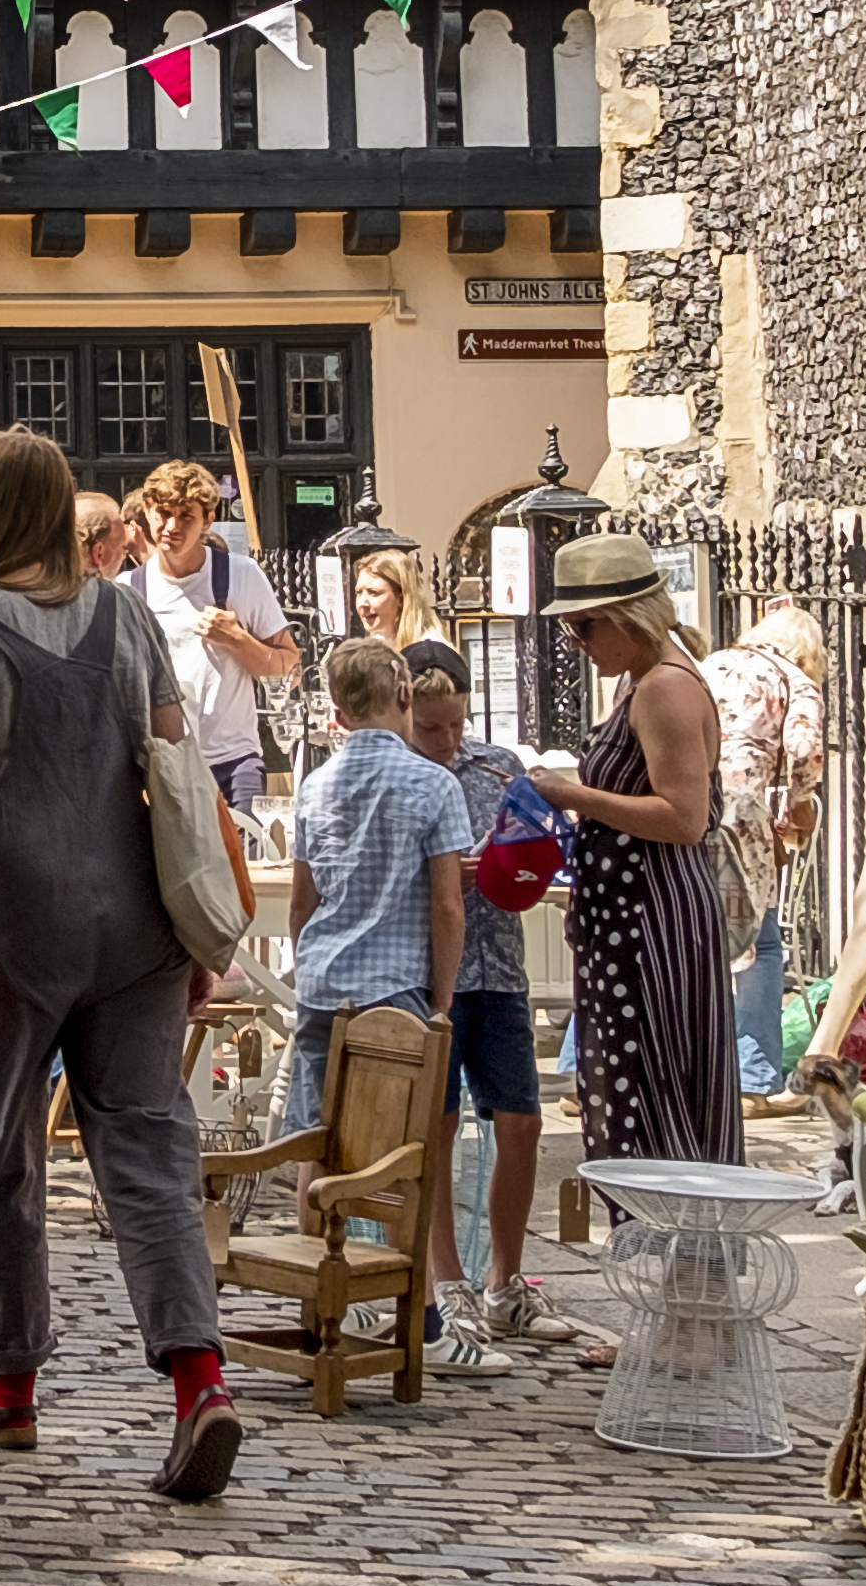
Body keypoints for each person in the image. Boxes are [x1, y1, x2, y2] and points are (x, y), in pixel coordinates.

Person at [0, 427, 237, 1503]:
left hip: (17, 922)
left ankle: (12, 1388)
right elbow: (176, 765)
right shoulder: (125, 609)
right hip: (134, 921)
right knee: (148, 1150)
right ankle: (199, 1380)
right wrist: (199, 924)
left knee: (2, 1151)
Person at [541, 533, 738, 1174]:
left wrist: (576, 795)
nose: (576, 643)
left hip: (652, 917)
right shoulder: (642, 680)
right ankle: (658, 1231)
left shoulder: (662, 688)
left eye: (582, 628)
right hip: (632, 916)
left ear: (625, 620)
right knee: (635, 1074)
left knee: (653, 1076)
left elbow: (685, 818)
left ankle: (672, 1225)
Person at [408, 654, 567, 1363]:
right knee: (436, 1129)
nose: (447, 739)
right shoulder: (402, 773)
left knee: (522, 1121)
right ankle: (450, 1284)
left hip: (497, 963)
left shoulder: (494, 765)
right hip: (431, 968)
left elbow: (533, 840)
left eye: (456, 724)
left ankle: (505, 1280)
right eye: (432, 726)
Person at [279, 637, 470, 1137]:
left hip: (323, 981)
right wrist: (443, 1003)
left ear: (338, 716)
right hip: (395, 984)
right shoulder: (434, 784)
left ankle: (313, 1218)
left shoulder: (315, 786)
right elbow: (448, 906)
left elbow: (302, 905)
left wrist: (308, 970)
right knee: (393, 1144)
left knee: (312, 1141)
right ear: (406, 696)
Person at [702, 603, 832, 1098]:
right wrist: (800, 799)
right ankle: (754, 1076)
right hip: (745, 820)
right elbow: (803, 749)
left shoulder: (712, 664)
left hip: (694, 806)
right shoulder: (795, 681)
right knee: (759, 940)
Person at [126, 462, 301, 824]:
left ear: (208, 520)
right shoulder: (128, 589)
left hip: (234, 762)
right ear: (146, 513)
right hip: (162, 766)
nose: (171, 526)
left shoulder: (240, 575)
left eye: (185, 516)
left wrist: (238, 640)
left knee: (243, 876)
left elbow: (291, 669)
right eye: (163, 513)